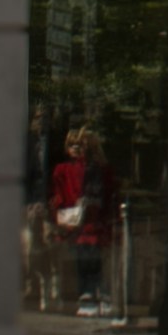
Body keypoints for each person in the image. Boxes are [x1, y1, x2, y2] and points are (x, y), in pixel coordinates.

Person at [49, 134, 120, 316]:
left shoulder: (99, 169)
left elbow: (110, 192)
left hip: (94, 220)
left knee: (95, 258)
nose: (77, 148)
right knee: (84, 258)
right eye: (72, 145)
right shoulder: (64, 169)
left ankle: (98, 294)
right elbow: (60, 194)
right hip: (78, 221)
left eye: (80, 145)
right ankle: (88, 294)